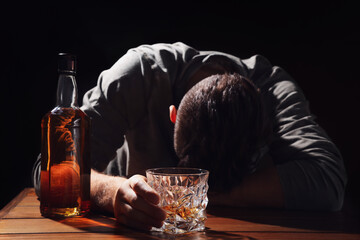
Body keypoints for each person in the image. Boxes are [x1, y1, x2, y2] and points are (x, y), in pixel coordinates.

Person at [32, 42, 347, 231]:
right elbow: (46, 172)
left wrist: (183, 193)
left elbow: (328, 182)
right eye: (186, 169)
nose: (189, 182)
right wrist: (112, 193)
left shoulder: (275, 92)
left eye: (200, 179)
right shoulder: (137, 74)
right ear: (173, 114)